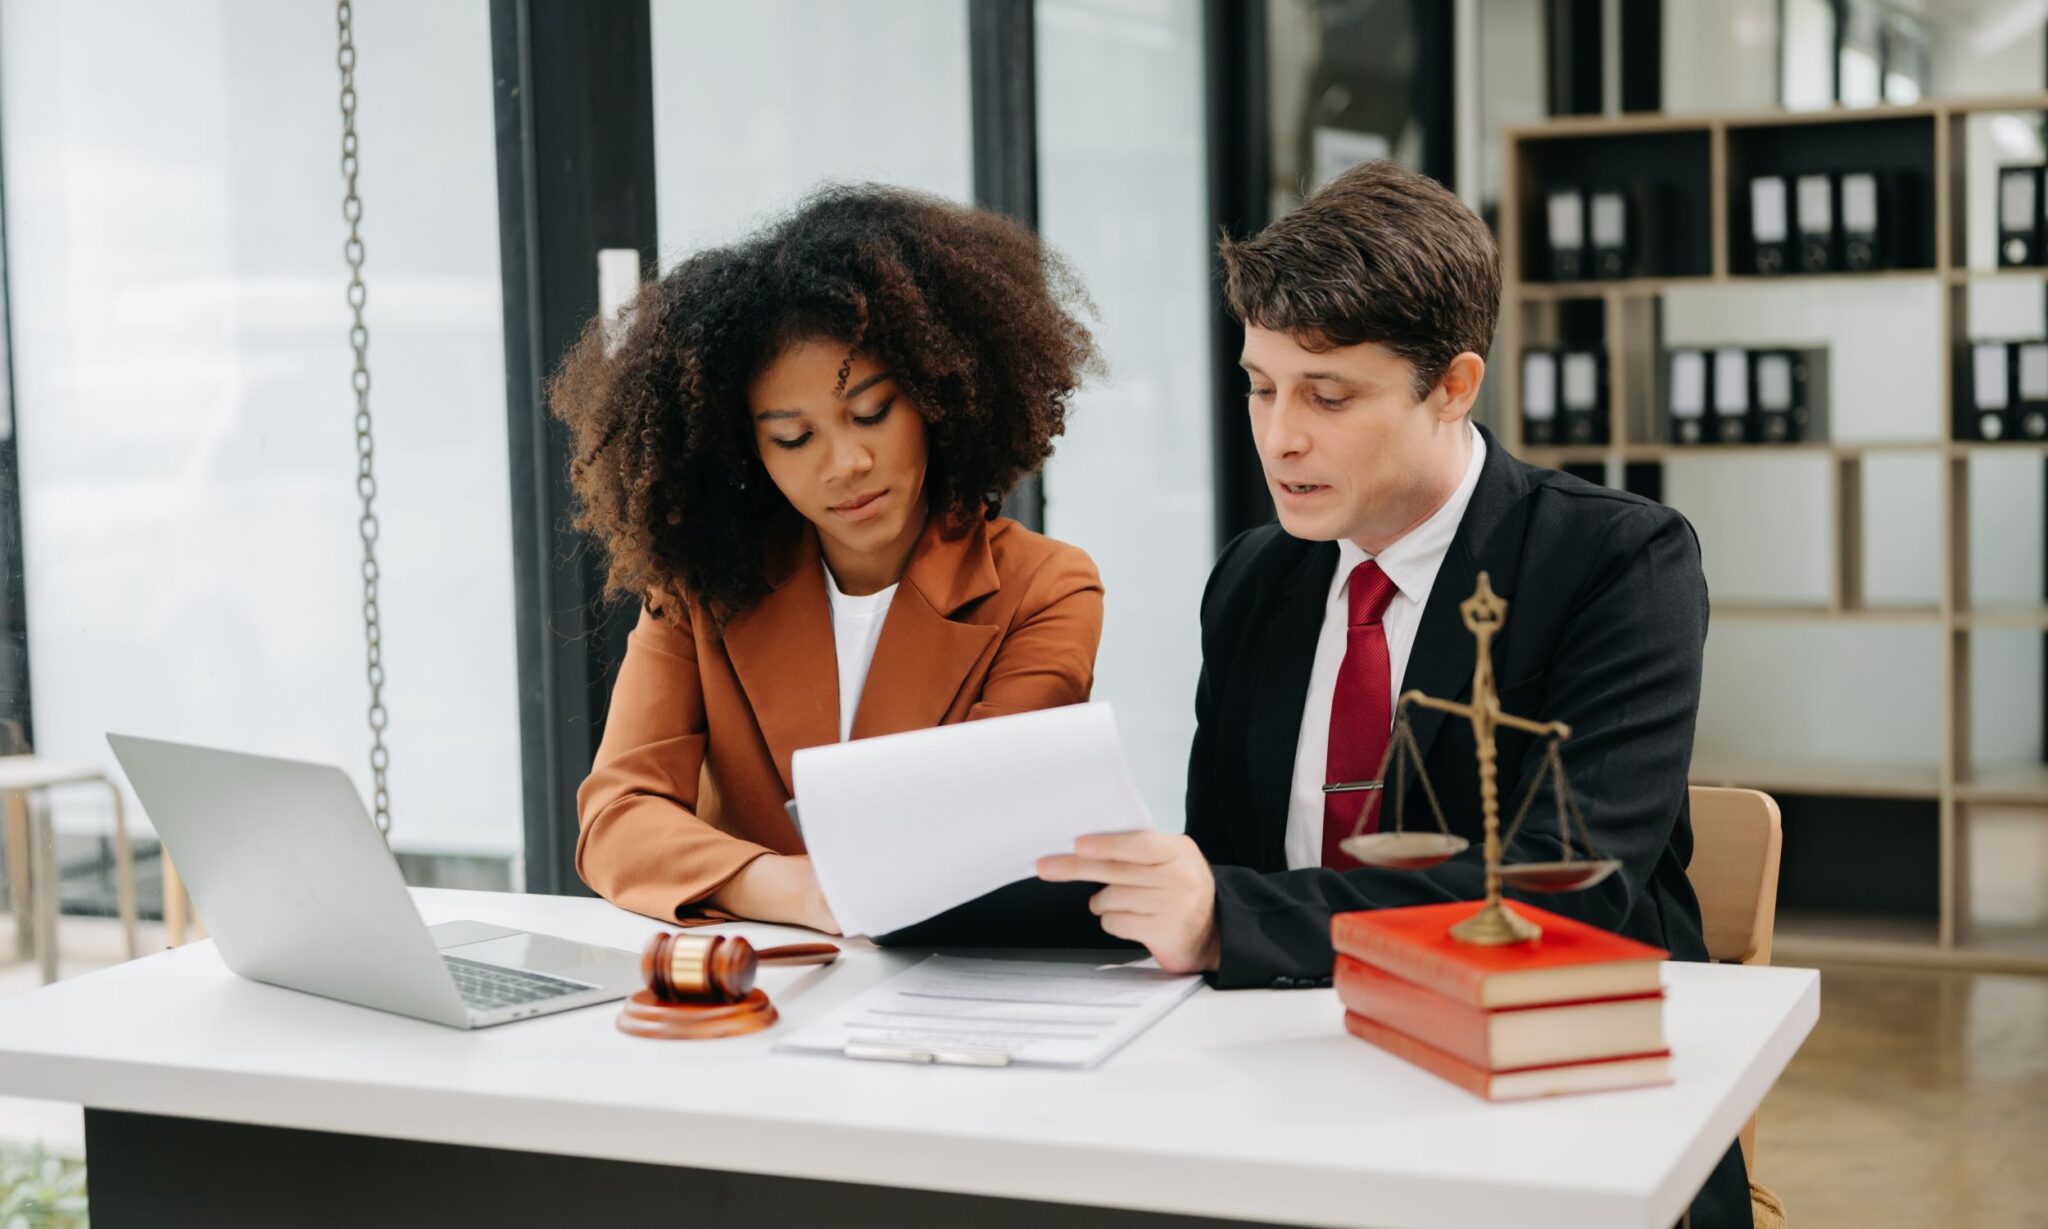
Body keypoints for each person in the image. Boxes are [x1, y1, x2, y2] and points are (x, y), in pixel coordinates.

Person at [1037, 160, 1752, 1226]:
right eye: (1258, 384)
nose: (1280, 435)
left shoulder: (1616, 562)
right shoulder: (1254, 577)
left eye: (1328, 396)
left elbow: (1563, 897)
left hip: (1553, 1092)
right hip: (1291, 1078)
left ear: (1452, 385)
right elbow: (1226, 853)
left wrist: (1227, 916)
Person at [553, 184, 1104, 935]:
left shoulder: (1045, 589)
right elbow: (616, 821)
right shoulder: (701, 588)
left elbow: (976, 841)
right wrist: (795, 889)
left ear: (938, 396)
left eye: (872, 412)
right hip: (750, 997)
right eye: (793, 437)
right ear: (746, 449)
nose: (845, 462)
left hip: (942, 999)